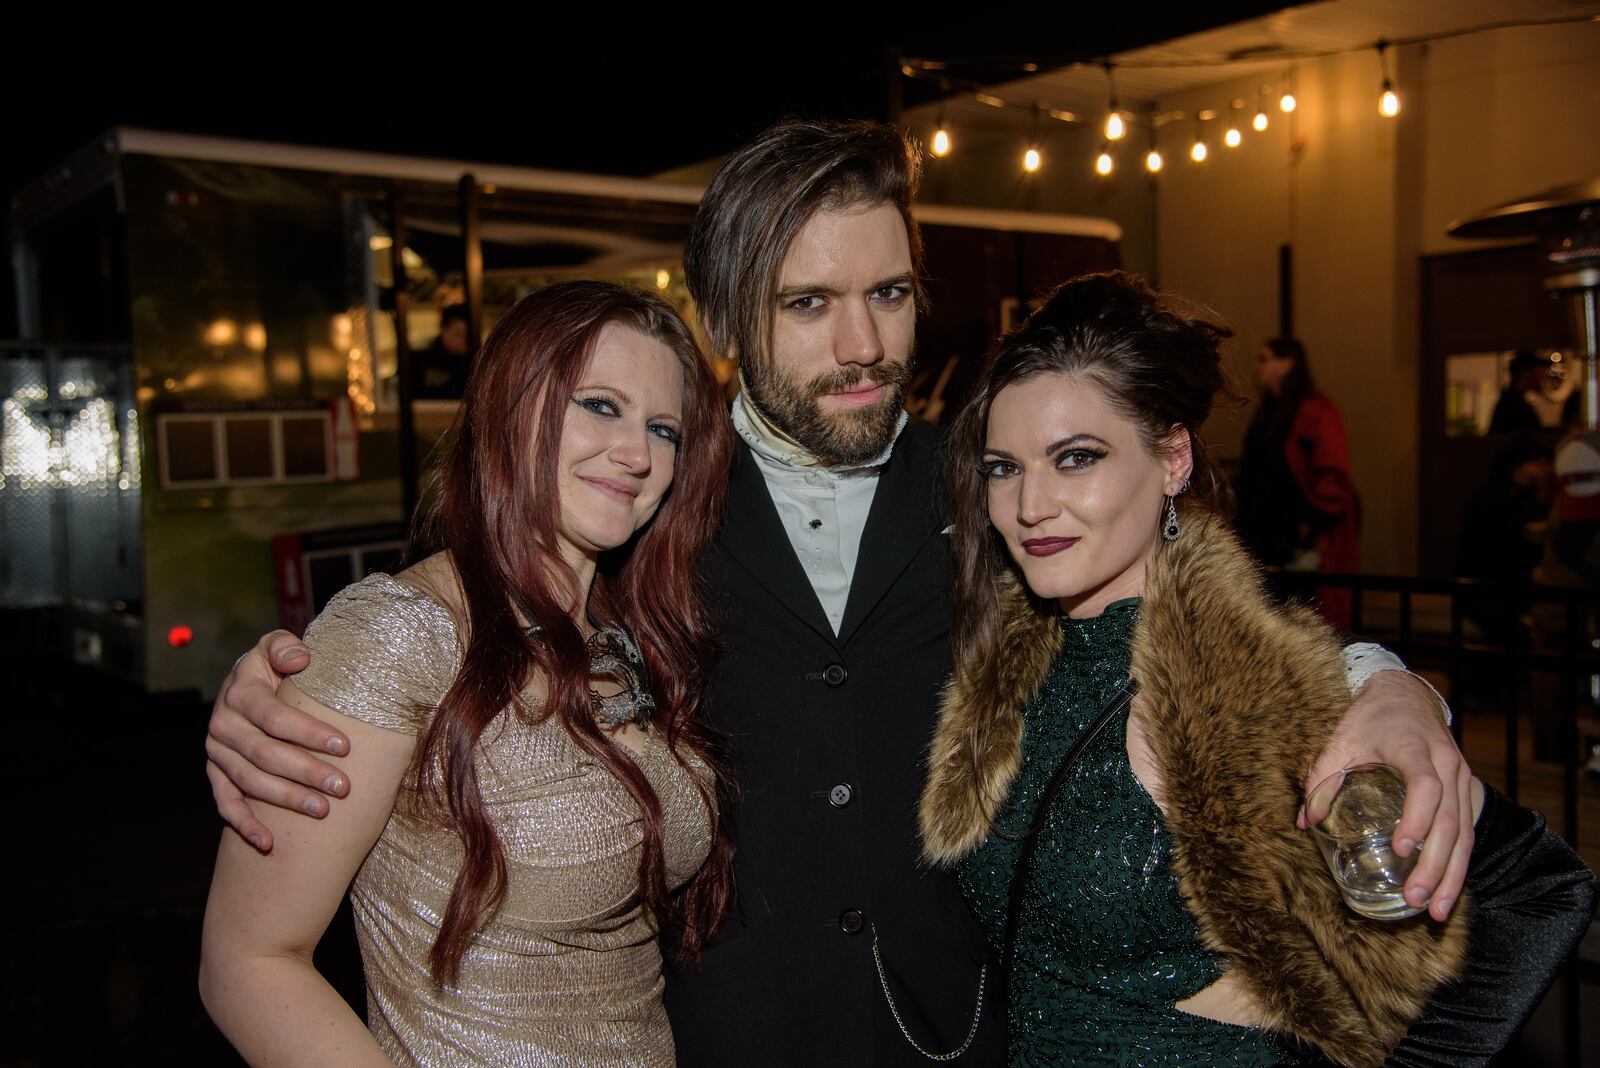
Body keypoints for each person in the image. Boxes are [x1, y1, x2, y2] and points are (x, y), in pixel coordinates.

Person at [204, 121, 1476, 1066]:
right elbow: (453, 634)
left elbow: (1193, 600)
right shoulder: (643, 505)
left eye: (888, 294)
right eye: (806, 304)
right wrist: (277, 694)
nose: (862, 346)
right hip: (713, 1043)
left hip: (959, 1035)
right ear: (725, 317)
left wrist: (1395, 689)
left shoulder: (992, 488)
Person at [920, 272, 1596, 1066]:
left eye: (1077, 458)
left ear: (1172, 459)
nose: (1030, 504)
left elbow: (1538, 892)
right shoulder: (1019, 663)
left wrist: (1395, 689)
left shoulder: (1227, 688)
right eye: (1003, 467)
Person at [198, 281, 736, 1066]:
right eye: (599, 405)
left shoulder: (626, 638)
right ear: (512, 408)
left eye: (663, 427)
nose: (638, 453)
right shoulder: (401, 632)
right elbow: (248, 963)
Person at [1235, 336, 1359, 627]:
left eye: (1265, 359)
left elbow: (1333, 474)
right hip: (1265, 533)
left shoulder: (1315, 410)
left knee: (1308, 617)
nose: (1257, 368)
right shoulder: (1265, 413)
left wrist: (1311, 521)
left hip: (1302, 536)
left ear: (1287, 363)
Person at [414, 302, 475, 399]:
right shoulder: (421, 361)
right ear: (444, 330)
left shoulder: (474, 362)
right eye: (459, 334)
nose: (464, 340)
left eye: (468, 335)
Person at [1488, 350, 1548, 434]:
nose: (1543, 377)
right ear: (1526, 373)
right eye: (1538, 372)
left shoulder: (1511, 401)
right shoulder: (1512, 405)